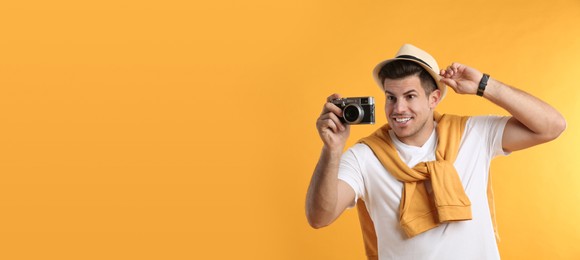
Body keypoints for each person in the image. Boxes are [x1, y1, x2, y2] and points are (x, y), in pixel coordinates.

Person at [305, 44, 566, 259]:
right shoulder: (366, 156)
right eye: (391, 97)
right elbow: (319, 217)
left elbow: (552, 126)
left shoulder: (472, 134)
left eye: (410, 96)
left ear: (434, 98)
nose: (398, 109)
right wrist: (332, 150)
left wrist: (485, 85)